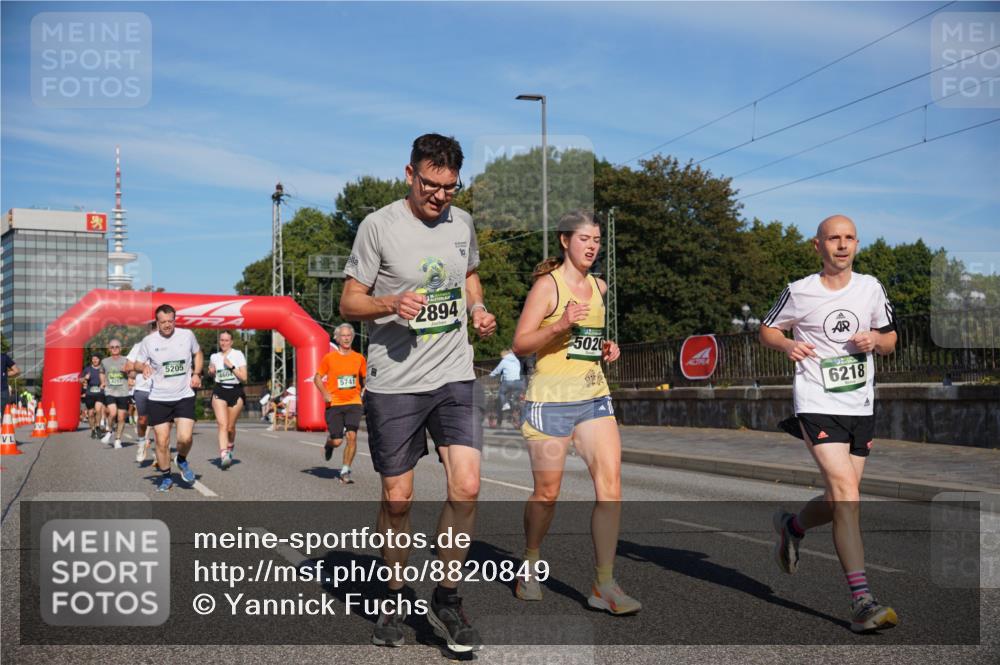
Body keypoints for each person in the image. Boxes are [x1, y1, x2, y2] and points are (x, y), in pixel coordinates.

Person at [339, 133, 496, 653]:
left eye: (450, 188)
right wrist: (389, 304)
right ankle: (393, 592)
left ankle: (447, 599)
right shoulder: (378, 226)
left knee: (467, 486)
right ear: (410, 174)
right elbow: (348, 303)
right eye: (430, 185)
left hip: (453, 373)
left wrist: (476, 308)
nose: (439, 197)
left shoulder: (463, 222)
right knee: (398, 499)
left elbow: (469, 274)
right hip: (395, 383)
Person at [759, 214, 898, 634]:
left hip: (860, 405)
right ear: (816, 245)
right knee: (846, 494)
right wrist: (786, 342)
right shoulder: (799, 291)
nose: (842, 245)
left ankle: (793, 526)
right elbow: (766, 330)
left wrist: (876, 341)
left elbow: (891, 338)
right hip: (817, 402)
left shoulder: (871, 288)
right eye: (832, 238)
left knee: (842, 497)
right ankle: (861, 600)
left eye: (849, 238)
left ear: (857, 244)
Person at [509, 209, 640, 615]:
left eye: (597, 240)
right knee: (547, 495)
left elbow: (588, 340)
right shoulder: (546, 288)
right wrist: (559, 324)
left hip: (593, 396)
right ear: (565, 241)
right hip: (549, 401)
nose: (592, 246)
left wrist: (606, 348)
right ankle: (530, 562)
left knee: (611, 487)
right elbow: (520, 344)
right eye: (584, 239)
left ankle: (603, 584)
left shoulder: (599, 287)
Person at [132, 304, 203, 492]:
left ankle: (181, 459)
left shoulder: (187, 335)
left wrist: (197, 373)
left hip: (183, 395)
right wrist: (143, 368)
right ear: (157, 322)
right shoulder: (148, 341)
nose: (167, 325)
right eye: (163, 322)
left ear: (175, 319)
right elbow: (137, 363)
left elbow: (198, 353)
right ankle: (166, 476)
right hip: (158, 398)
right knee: (162, 441)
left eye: (170, 321)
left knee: (185, 438)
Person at [314, 324, 366, 484]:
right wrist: (325, 393)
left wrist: (363, 391)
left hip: (353, 402)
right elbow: (317, 377)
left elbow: (366, 377)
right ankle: (329, 444)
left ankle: (345, 470)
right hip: (334, 404)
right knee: (338, 441)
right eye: (343, 335)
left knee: (352, 436)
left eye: (349, 335)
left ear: (352, 337)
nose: (346, 338)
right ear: (337, 338)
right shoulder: (329, 358)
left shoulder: (359, 358)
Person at [207, 330, 247, 470]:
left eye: (226, 340)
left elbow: (244, 377)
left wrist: (231, 366)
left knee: (230, 427)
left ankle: (230, 446)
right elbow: (212, 372)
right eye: (222, 340)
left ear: (231, 342)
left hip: (236, 391)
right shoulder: (214, 356)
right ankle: (224, 454)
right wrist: (210, 372)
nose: (224, 343)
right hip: (219, 390)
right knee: (222, 424)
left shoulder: (238, 354)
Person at [126, 322, 157, 464]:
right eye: (155, 331)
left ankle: (161, 450)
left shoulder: (169, 346)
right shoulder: (139, 346)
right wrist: (141, 368)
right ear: (149, 332)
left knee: (160, 423)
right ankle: (141, 442)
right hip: (143, 388)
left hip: (162, 389)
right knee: (143, 420)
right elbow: (128, 367)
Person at [100, 339, 131, 449]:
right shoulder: (105, 361)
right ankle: (110, 430)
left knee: (121, 418)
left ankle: (118, 439)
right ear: (109, 349)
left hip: (123, 391)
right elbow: (102, 372)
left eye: (117, 347)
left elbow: (133, 372)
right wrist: (103, 382)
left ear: (120, 348)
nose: (114, 349)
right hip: (110, 391)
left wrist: (128, 371)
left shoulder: (126, 360)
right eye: (112, 347)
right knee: (112, 413)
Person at [488, 348, 523, 427]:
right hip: (518, 382)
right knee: (514, 399)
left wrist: (491, 375)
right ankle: (514, 410)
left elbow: (497, 370)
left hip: (508, 383)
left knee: (501, 395)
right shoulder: (517, 361)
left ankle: (505, 405)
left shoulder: (504, 361)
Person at [80, 355, 106, 439]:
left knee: (98, 410)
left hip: (100, 392)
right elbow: (80, 380)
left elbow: (107, 378)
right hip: (89, 394)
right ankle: (93, 429)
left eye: (96, 359)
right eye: (93, 359)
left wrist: (104, 383)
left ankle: (98, 426)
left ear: (99, 360)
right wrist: (85, 378)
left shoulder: (102, 369)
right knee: (90, 414)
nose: (95, 360)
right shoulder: (87, 369)